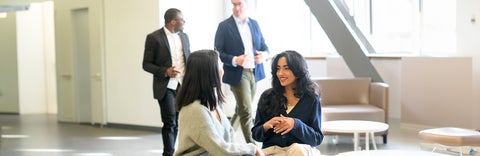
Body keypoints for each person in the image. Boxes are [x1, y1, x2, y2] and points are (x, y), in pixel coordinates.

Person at [174, 50, 264, 156]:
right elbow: (220, 149)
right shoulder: (194, 109)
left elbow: (229, 137)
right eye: (220, 65)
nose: (223, 71)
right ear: (208, 73)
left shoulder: (213, 102)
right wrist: (252, 148)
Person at [214, 0, 269, 144]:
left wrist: (264, 55)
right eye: (234, 5)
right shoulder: (224, 26)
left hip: (254, 72)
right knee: (246, 110)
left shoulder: (254, 24)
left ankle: (224, 140)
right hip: (237, 74)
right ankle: (254, 147)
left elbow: (265, 47)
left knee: (240, 109)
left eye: (239, 4)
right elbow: (217, 52)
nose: (236, 8)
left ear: (247, 5)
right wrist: (234, 60)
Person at [251, 50, 323, 155]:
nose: (280, 73)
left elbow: (317, 138)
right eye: (278, 69)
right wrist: (266, 126)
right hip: (273, 150)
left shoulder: (311, 99)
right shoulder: (267, 97)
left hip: (300, 150)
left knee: (297, 150)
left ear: (298, 71)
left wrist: (296, 124)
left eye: (286, 68)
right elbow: (256, 134)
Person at [142, 8, 190, 156]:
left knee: (180, 122)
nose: (184, 23)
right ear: (173, 22)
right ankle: (168, 154)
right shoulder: (154, 38)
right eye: (182, 20)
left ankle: (178, 152)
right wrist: (165, 71)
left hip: (183, 86)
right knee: (170, 121)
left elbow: (188, 59)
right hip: (166, 87)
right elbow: (146, 64)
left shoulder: (185, 37)